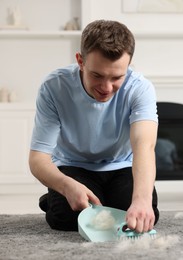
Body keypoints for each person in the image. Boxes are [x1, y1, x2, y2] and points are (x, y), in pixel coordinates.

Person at [29, 20, 159, 233]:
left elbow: (144, 147)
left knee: (141, 217)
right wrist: (65, 186)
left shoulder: (140, 89)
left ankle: (72, 197)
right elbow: (37, 159)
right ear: (80, 61)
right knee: (66, 220)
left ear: (129, 65)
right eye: (97, 75)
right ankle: (54, 198)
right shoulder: (54, 87)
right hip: (74, 166)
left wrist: (142, 201)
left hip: (122, 166)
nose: (106, 88)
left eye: (117, 77)